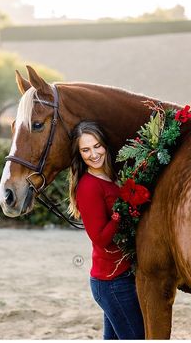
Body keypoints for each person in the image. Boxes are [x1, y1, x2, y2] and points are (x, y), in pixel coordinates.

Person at [67, 121, 145, 340]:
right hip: (112, 283)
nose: (93, 154)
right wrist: (120, 213)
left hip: (123, 276)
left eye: (97, 146)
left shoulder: (113, 176)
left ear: (105, 145)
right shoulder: (89, 186)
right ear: (79, 154)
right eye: (85, 149)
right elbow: (100, 238)